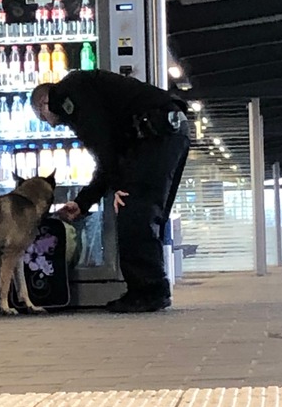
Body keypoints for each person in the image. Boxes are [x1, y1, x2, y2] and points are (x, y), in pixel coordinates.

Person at [31, 69, 190, 313]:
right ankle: (151, 288)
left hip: (156, 133)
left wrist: (120, 185)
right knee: (145, 211)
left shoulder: (67, 95)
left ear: (44, 103)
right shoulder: (83, 92)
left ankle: (148, 291)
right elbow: (110, 155)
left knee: (135, 210)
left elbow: (101, 142)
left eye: (43, 118)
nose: (51, 125)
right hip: (164, 131)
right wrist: (83, 203)